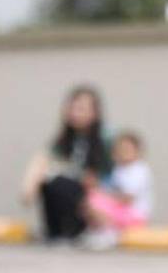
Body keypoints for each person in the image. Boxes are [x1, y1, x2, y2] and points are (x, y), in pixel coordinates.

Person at [21, 85, 111, 244]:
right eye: (72, 108)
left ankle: (76, 230)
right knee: (50, 182)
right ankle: (54, 231)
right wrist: (31, 183)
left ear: (95, 112)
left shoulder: (106, 139)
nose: (75, 114)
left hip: (96, 196)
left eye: (81, 109)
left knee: (61, 184)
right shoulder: (65, 139)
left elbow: (111, 176)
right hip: (73, 188)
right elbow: (45, 158)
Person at [83, 131, 154, 251]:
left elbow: (127, 199)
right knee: (90, 198)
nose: (122, 153)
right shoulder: (119, 170)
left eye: (127, 150)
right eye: (119, 150)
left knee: (96, 202)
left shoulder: (139, 170)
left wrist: (103, 194)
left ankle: (109, 234)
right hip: (122, 211)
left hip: (135, 215)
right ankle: (102, 232)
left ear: (138, 152)